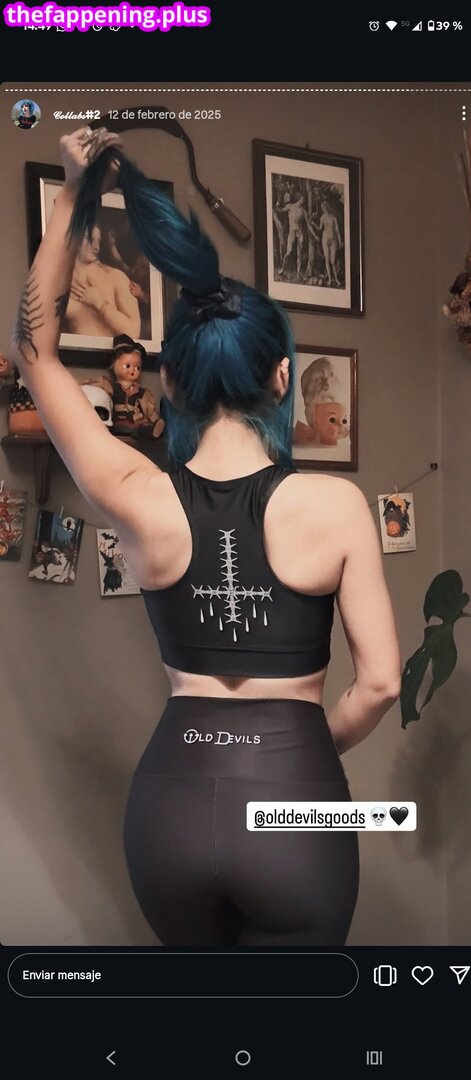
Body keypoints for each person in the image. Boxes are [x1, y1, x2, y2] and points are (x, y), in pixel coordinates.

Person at [13, 127, 401, 946]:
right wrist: (301, 752)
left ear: (173, 383)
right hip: (295, 797)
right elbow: (379, 686)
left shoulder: (138, 496)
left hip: (170, 804)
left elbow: (34, 350)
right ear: (282, 377)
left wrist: (75, 190)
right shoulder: (337, 507)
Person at [64, 223, 141, 339]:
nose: (96, 247)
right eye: (90, 239)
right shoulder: (61, 281)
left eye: (98, 241)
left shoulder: (116, 277)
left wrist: (100, 304)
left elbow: (134, 332)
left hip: (112, 350)